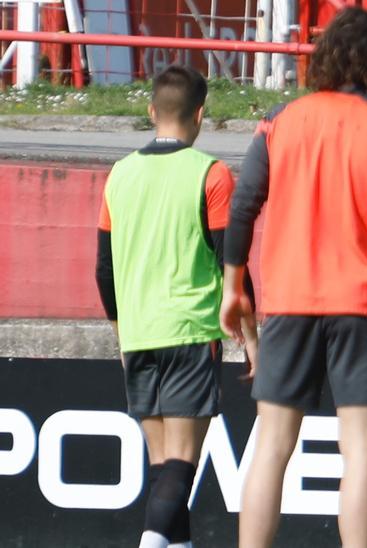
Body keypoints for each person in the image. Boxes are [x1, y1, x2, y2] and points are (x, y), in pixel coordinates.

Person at [218, 7, 367, 547]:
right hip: (363, 303)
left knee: (271, 443)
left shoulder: (279, 121)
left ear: (323, 59)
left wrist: (233, 286)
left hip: (290, 300)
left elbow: (244, 204)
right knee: (362, 450)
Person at [95, 64, 259, 548]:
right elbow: (236, 265)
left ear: (151, 112)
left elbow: (103, 270)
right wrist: (253, 341)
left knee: (163, 468)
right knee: (182, 466)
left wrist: (121, 334)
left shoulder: (119, 176)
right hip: (190, 331)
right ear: (201, 115)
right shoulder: (210, 174)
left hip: (140, 333)